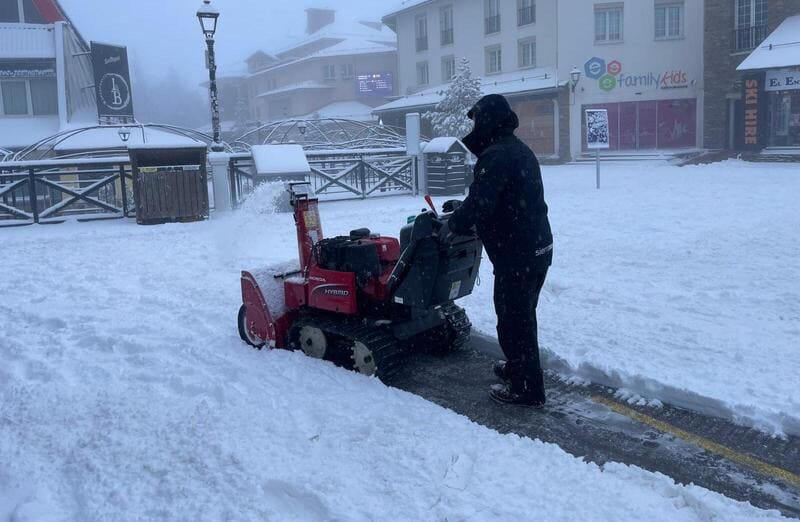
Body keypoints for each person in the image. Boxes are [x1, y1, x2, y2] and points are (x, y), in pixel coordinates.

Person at [447, 94, 553, 407]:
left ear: (487, 120)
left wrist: (455, 223)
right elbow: (501, 199)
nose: (474, 126)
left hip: (517, 253)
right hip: (537, 247)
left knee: (513, 322)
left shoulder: (495, 156)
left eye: (477, 120)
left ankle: (526, 389)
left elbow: (482, 202)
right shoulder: (517, 149)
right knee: (522, 316)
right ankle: (518, 367)